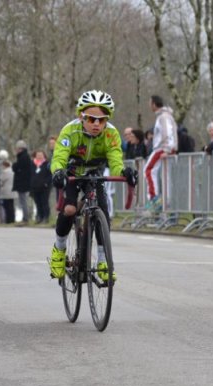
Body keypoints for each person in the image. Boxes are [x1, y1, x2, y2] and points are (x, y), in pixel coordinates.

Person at [48, 89, 138, 280]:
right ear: (82, 117)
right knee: (70, 209)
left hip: (94, 174)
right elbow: (59, 157)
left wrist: (124, 172)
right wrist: (58, 171)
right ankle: (59, 250)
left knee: (102, 212)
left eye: (102, 120)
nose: (96, 124)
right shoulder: (70, 131)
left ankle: (103, 261)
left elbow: (115, 161)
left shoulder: (111, 134)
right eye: (91, 119)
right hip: (72, 173)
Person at [144, 94, 176, 209]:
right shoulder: (163, 116)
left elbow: (168, 132)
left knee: (148, 170)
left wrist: (167, 149)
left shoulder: (163, 117)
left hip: (162, 148)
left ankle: (154, 199)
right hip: (164, 148)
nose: (149, 105)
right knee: (165, 176)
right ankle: (165, 204)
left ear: (154, 104)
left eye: (150, 103)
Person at [12, 140, 32, 224]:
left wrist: (15, 166)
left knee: (23, 201)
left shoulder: (23, 157)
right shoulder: (24, 156)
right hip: (23, 182)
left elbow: (17, 168)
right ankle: (25, 217)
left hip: (22, 183)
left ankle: (26, 218)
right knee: (23, 201)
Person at [31, 149, 52, 223]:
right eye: (38, 155)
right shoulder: (32, 164)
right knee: (38, 203)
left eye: (41, 155)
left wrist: (46, 183)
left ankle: (46, 217)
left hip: (45, 187)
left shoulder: (47, 164)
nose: (39, 156)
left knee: (44, 202)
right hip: (35, 187)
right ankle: (40, 217)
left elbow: (50, 175)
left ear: (44, 155)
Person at [0, 150, 15, 223]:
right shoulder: (12, 171)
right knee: (11, 206)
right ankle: (12, 219)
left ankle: (8, 220)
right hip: (12, 191)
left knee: (7, 207)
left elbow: (1, 181)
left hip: (6, 191)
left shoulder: (5, 172)